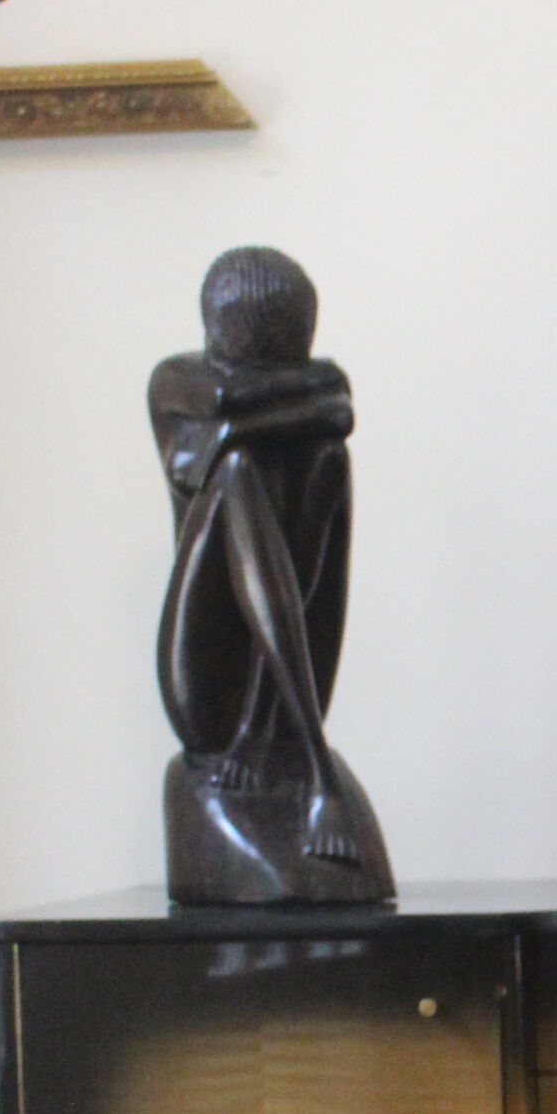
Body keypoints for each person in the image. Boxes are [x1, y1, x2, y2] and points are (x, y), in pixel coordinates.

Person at [150, 247, 394, 903]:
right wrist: (284, 410)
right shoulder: (177, 382)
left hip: (285, 696)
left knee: (328, 464)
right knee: (235, 478)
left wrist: (232, 428)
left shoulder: (299, 393)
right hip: (208, 690)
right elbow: (239, 398)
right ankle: (318, 769)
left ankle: (292, 747)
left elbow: (336, 416)